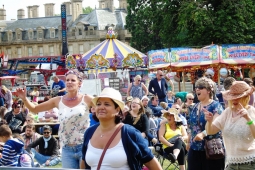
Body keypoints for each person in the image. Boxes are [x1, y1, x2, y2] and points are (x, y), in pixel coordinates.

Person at [15, 69, 93, 169]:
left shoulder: (87, 99)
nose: (69, 82)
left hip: (84, 147)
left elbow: (103, 108)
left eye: (73, 80)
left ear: (79, 83)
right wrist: (24, 98)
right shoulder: (58, 100)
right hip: (66, 148)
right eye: (67, 80)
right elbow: (34, 109)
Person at [81, 87, 162, 170]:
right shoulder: (89, 132)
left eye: (106, 104)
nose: (101, 107)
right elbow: (83, 165)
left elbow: (151, 163)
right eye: (98, 104)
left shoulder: (130, 133)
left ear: (117, 109)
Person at [205, 81, 255, 170]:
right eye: (232, 97)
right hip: (231, 163)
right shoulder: (227, 112)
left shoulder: (251, 112)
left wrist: (248, 119)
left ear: (246, 98)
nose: (234, 100)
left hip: (250, 163)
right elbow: (210, 131)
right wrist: (209, 121)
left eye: (238, 97)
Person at [187, 77, 225, 170]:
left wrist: (203, 134)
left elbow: (217, 126)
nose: (197, 89)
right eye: (196, 87)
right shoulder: (195, 106)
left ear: (208, 90)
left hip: (212, 150)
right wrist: (188, 142)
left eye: (201, 87)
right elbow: (191, 126)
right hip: (195, 149)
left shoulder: (216, 106)